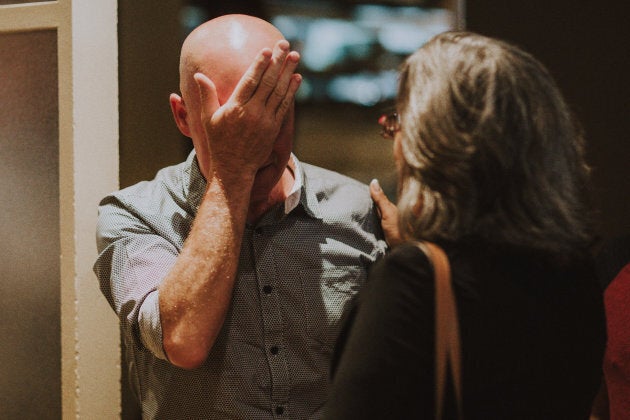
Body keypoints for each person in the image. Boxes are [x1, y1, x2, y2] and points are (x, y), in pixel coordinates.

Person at [94, 14, 386, 419]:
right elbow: (182, 340)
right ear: (182, 117)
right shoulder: (134, 213)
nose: (258, 141)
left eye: (275, 114)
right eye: (235, 122)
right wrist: (233, 173)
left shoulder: (357, 208)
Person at [324, 31, 606, 419]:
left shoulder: (414, 280)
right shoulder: (576, 273)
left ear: (433, 144)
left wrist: (420, 258)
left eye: (399, 124)